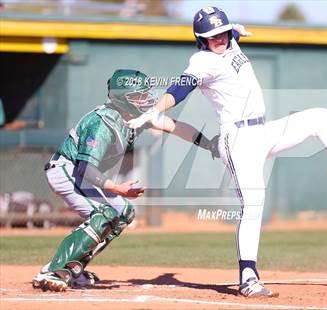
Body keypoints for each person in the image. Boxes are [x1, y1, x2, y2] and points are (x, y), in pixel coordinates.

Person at [127, 7, 327, 298]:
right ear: (201, 40)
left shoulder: (229, 39)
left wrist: (234, 28)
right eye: (212, 36)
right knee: (254, 203)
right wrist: (155, 110)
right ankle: (248, 277)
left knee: (320, 117)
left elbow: (231, 32)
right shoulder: (202, 61)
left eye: (222, 32)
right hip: (237, 140)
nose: (220, 39)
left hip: (262, 131)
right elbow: (180, 88)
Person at [32, 69, 219, 292]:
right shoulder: (102, 122)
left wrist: (208, 144)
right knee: (105, 214)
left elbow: (175, 126)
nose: (146, 100)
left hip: (87, 175)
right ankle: (53, 271)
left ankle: (73, 268)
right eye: (138, 96)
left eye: (145, 94)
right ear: (122, 98)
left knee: (123, 214)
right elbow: (86, 168)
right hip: (67, 170)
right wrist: (115, 187)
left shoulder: (138, 116)